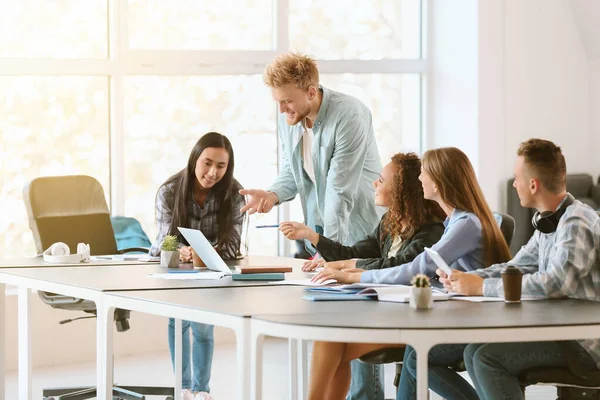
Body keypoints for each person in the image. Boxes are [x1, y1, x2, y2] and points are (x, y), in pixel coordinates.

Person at [308, 147, 511, 400]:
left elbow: (414, 269)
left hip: (461, 320)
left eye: (423, 174)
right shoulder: (454, 223)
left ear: (437, 183)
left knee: (412, 357)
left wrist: (354, 275)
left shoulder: (464, 225)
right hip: (447, 313)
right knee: (333, 340)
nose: (419, 179)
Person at [239, 52, 385, 399]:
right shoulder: (289, 118)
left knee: (359, 331)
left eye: (287, 101)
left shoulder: (349, 115)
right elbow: (294, 172)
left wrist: (327, 249)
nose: (281, 109)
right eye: (278, 101)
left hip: (359, 234)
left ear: (311, 91)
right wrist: (273, 195)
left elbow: (340, 191)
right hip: (324, 237)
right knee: (333, 329)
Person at [432, 138, 600, 400]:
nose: (514, 184)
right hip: (558, 330)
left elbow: (556, 283)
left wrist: (481, 287)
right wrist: (469, 278)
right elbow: (515, 267)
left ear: (533, 184)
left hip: (583, 342)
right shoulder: (548, 222)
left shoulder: (576, 221)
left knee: (488, 358)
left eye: (516, 177)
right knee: (473, 351)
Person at [150, 132, 246, 400]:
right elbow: (162, 244)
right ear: (195, 159)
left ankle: (202, 390)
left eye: (220, 166)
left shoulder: (234, 195)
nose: (212, 172)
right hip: (175, 270)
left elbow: (233, 246)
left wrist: (203, 254)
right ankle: (183, 388)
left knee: (203, 325)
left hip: (212, 271)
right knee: (177, 320)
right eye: (207, 163)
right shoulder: (170, 191)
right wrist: (184, 252)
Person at [279, 152, 446, 274]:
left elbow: (399, 265)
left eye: (380, 180)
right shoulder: (389, 221)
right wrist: (310, 235)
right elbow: (353, 253)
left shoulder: (432, 229)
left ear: (401, 191)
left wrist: (346, 265)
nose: (374, 184)